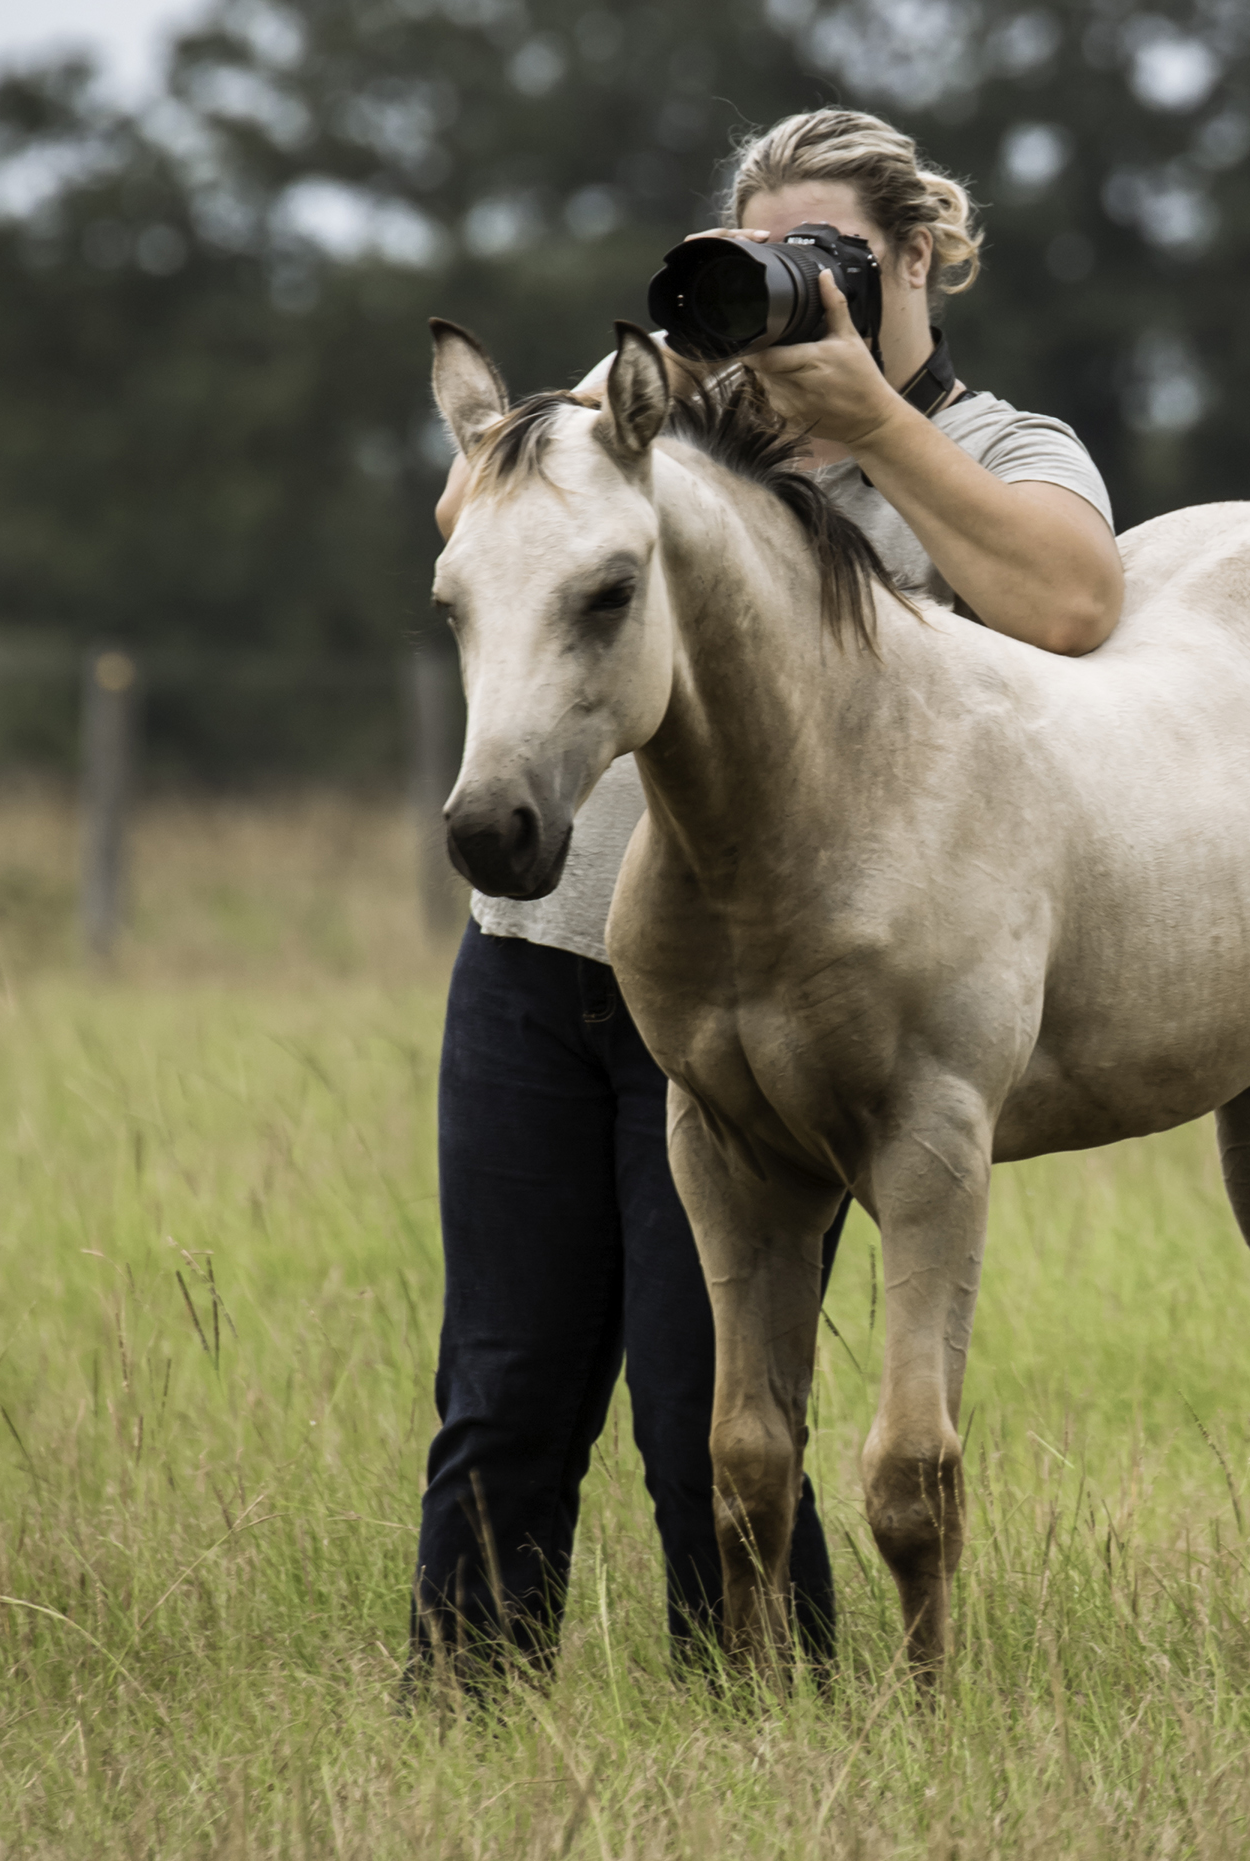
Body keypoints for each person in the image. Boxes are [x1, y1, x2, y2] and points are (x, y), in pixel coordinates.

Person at [411, 106, 1123, 1686]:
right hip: (543, 945)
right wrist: (606, 398)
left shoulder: (994, 448)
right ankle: (462, 1709)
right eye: (765, 259)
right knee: (503, 1386)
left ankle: (759, 1713)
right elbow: (475, 524)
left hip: (776, 990)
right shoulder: (657, 434)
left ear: (921, 256)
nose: (799, 289)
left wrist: (869, 417)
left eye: (838, 261)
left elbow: (1073, 607)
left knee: (703, 1399)